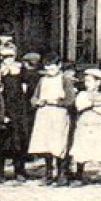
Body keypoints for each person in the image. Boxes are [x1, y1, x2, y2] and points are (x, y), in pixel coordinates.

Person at [28, 54, 74, 185]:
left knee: (59, 144)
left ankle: (62, 173)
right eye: (47, 69)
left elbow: (70, 100)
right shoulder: (42, 80)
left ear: (59, 66)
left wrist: (57, 102)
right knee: (45, 144)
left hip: (59, 114)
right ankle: (48, 173)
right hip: (44, 114)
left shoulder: (65, 80)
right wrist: (37, 102)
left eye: (52, 68)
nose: (50, 71)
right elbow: (33, 97)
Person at [68, 66, 101, 186]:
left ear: (98, 82)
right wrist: (94, 104)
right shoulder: (82, 94)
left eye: (89, 81)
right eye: (85, 81)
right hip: (84, 126)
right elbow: (79, 106)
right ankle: (79, 176)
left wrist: (91, 105)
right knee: (82, 151)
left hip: (100, 127)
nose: (86, 84)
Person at [0, 53, 37, 181]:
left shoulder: (21, 71)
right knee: (3, 141)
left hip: (20, 110)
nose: (9, 60)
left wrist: (21, 73)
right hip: (4, 109)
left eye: (11, 57)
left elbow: (30, 87)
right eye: (5, 57)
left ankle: (19, 169)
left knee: (20, 140)